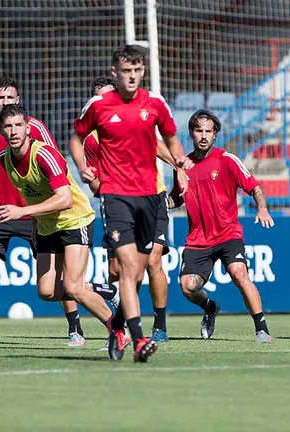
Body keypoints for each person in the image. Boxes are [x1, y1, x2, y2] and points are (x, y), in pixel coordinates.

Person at [0, 76, 106, 347]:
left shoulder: (36, 132)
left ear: (19, 103)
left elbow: (53, 168)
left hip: (36, 212)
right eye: (1, 98)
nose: (6, 103)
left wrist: (30, 210)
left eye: (11, 98)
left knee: (64, 281)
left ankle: (76, 329)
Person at [71, 45, 191, 362]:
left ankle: (118, 327)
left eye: (137, 70)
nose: (133, 76)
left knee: (137, 273)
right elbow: (76, 137)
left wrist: (179, 157)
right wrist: (82, 165)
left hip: (150, 196)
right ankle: (139, 341)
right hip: (115, 195)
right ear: (115, 73)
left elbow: (170, 135)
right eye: (127, 71)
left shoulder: (154, 103)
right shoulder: (99, 105)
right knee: (126, 266)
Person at [0, 104, 114, 346]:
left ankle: (119, 329)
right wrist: (34, 227)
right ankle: (104, 290)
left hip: (74, 219)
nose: (14, 131)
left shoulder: (44, 154)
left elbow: (65, 199)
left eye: (19, 125)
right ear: (1, 130)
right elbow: (33, 195)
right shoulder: (4, 160)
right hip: (46, 227)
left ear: (28, 128)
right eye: (8, 126)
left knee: (73, 287)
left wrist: (23, 212)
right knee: (47, 291)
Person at [169, 109, 274, 342]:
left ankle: (262, 329)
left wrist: (262, 208)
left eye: (208, 131)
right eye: (199, 131)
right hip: (198, 239)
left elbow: (254, 187)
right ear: (191, 134)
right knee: (188, 287)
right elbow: (176, 197)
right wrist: (160, 202)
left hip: (228, 233)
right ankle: (209, 307)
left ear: (215, 134)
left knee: (239, 273)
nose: (204, 135)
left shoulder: (227, 160)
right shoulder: (182, 167)